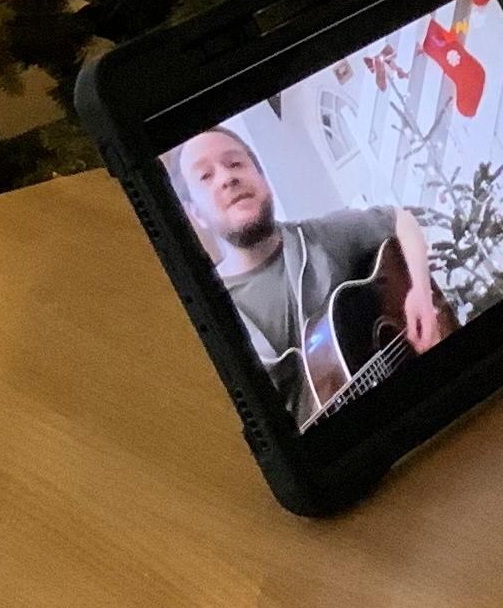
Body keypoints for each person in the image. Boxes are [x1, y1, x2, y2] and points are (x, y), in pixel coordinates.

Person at [172, 127, 449, 420]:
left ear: (262, 177)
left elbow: (400, 220)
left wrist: (421, 291)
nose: (227, 178)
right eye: (206, 176)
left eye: (235, 163)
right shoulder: (204, 320)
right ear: (196, 214)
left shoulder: (322, 238)